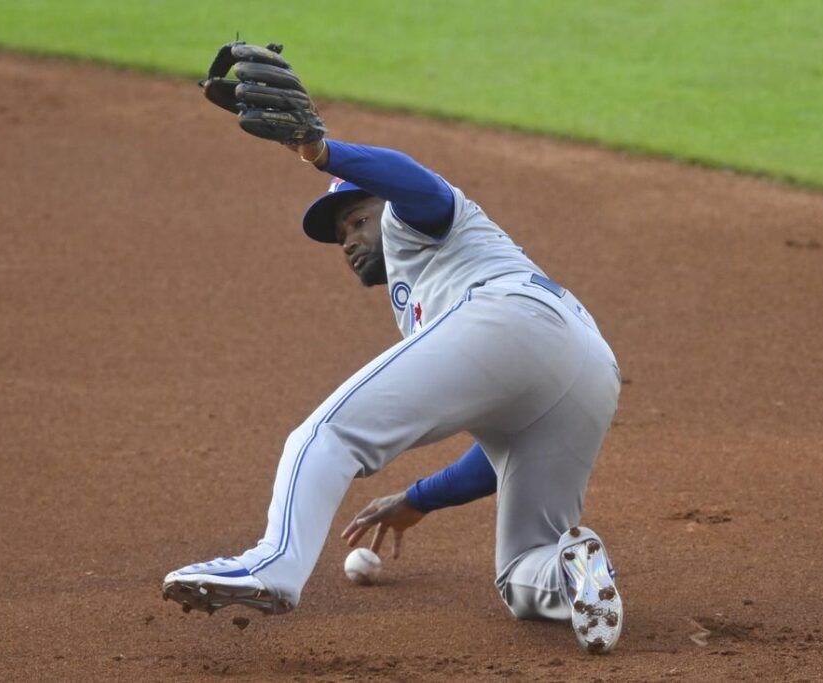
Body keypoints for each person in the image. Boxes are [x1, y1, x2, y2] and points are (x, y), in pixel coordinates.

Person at [163, 43, 624, 654]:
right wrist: (419, 498)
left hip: (514, 317)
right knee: (520, 575)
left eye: (357, 220)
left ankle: (270, 564)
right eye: (339, 236)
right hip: (589, 367)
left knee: (323, 436)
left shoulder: (419, 220)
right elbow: (504, 453)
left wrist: (318, 149)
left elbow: (413, 179)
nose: (349, 240)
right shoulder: (439, 289)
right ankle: (573, 576)